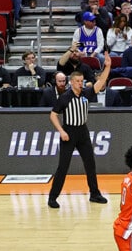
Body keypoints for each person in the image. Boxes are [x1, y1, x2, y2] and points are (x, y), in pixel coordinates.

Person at [47, 62, 111, 208]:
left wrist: (107, 66)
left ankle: (94, 194)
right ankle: (52, 197)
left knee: (90, 163)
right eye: (77, 81)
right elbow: (53, 115)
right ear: (71, 82)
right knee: (63, 167)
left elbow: (101, 82)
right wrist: (61, 131)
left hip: (83, 131)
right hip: (69, 132)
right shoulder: (65, 97)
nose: (80, 83)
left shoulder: (86, 93)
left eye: (82, 81)